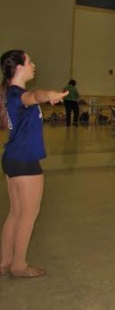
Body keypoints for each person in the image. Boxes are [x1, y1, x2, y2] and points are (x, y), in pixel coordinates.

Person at [0, 50, 68, 278]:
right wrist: (48, 94)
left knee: (16, 212)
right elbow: (34, 96)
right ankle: (19, 265)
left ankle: (5, 261)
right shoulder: (19, 94)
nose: (34, 65)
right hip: (25, 161)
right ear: (19, 67)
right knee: (28, 214)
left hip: (12, 158)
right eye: (29, 61)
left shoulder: (9, 93)